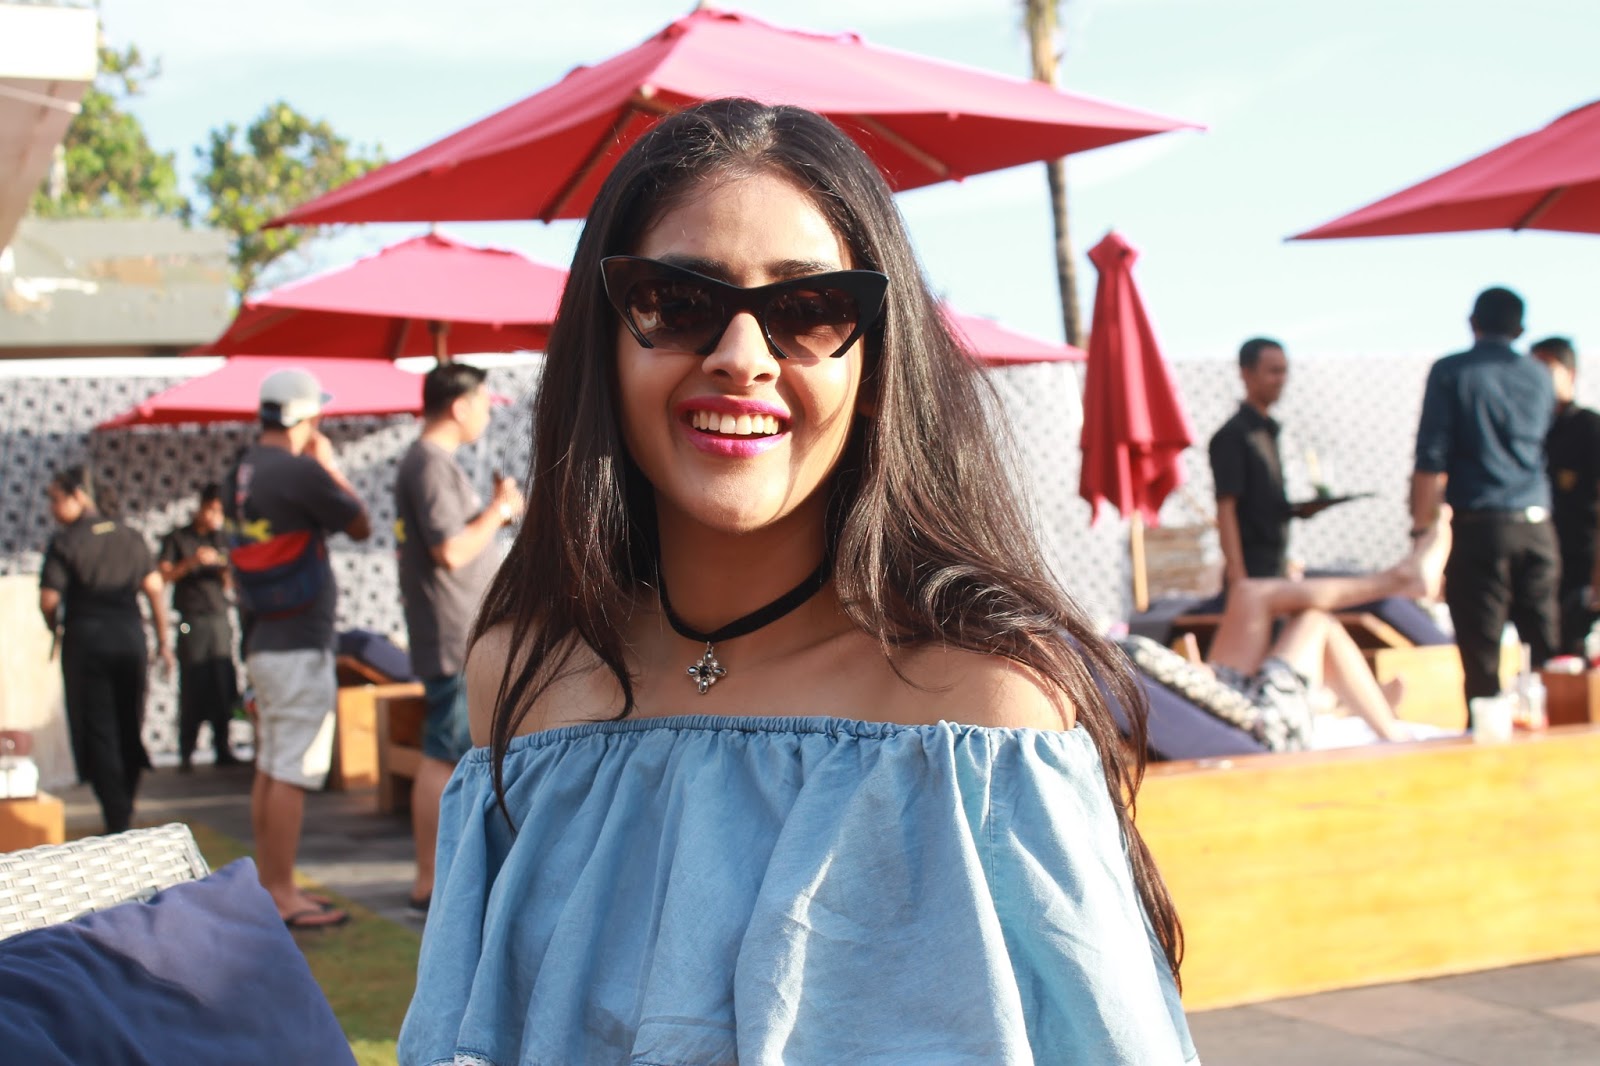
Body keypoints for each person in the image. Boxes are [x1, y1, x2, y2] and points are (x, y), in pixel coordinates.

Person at [398, 99, 1196, 1065]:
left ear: (879, 362)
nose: (741, 359)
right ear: (601, 343)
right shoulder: (520, 685)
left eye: (809, 311)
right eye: (677, 303)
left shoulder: (979, 712)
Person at [226, 368, 371, 929]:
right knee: (290, 768)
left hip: (262, 637)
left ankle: (271, 885)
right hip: (299, 642)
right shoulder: (300, 471)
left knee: (270, 766)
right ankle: (283, 893)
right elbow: (359, 523)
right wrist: (329, 465)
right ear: (302, 417)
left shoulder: (240, 470)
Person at [393, 362, 524, 916]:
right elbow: (451, 551)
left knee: (452, 751)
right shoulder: (428, 462)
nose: (486, 415)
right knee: (444, 755)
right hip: (453, 633)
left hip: (458, 630)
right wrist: (499, 510)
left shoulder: (431, 462)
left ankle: (440, 878)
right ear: (459, 405)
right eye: (483, 403)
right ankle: (429, 882)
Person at [1412, 287, 1559, 712]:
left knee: (1481, 656)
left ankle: (1487, 734)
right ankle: (1561, 732)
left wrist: (1422, 535)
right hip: (1537, 527)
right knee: (1546, 654)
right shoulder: (1539, 376)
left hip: (1480, 527)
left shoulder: (1451, 371)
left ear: (1472, 322)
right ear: (1521, 329)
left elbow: (1430, 459)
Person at [1200, 519, 1451, 744]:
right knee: (1314, 621)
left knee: (1249, 594)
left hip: (1219, 701)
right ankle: (1387, 730)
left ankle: (1352, 708)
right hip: (1252, 726)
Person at [38, 466, 174, 833]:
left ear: (79, 495)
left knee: (99, 728)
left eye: (56, 499)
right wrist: (164, 642)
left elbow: (48, 600)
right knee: (129, 721)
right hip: (130, 637)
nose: (51, 507)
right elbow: (155, 590)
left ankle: (116, 816)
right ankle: (124, 805)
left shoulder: (66, 541)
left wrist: (55, 628)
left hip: (87, 641)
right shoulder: (130, 535)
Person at [1209, 337, 1334, 585]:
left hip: (1274, 564)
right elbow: (1226, 508)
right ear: (1246, 373)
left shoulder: (1268, 432)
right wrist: (1237, 573)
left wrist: (1298, 510)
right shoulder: (1233, 435)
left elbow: (1262, 505)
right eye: (1273, 372)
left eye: (1284, 371)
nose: (1281, 380)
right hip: (1252, 570)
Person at [158, 483, 242, 770]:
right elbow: (164, 576)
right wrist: (193, 562)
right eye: (212, 509)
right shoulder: (178, 538)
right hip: (190, 621)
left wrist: (224, 567)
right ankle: (187, 750)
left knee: (222, 681)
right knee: (194, 682)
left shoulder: (224, 539)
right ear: (202, 507)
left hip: (219, 617)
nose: (215, 516)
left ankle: (223, 747)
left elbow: (231, 582)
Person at [1530, 336, 1600, 654]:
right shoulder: (1528, 432)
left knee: (1574, 656)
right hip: (1537, 567)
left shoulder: (1589, 428)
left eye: (1546, 368)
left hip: (1579, 568)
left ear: (1570, 373)